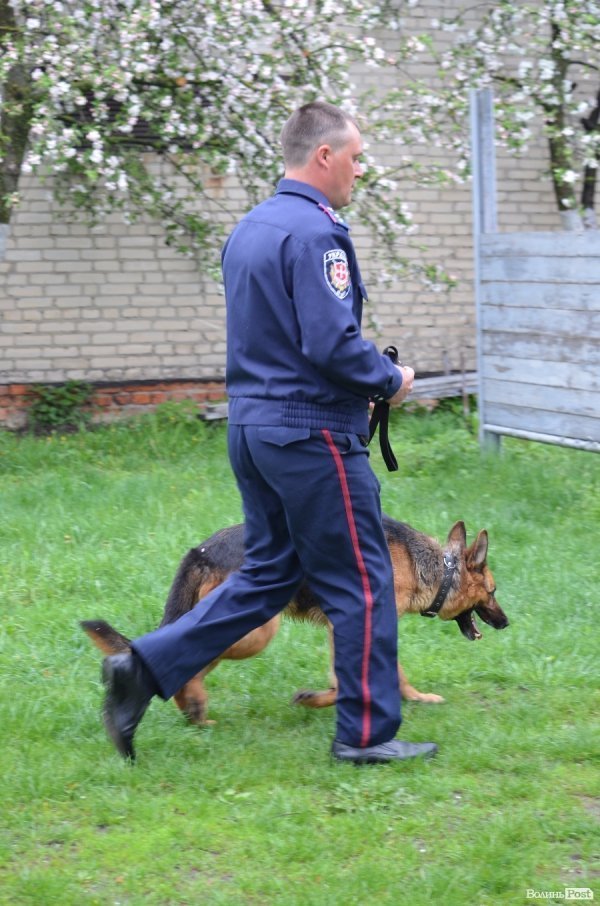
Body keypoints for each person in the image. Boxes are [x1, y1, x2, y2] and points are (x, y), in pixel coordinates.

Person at [101, 101, 438, 765]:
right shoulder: (316, 235)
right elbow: (330, 344)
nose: (360, 170)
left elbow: (277, 339)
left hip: (253, 429)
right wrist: (389, 378)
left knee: (269, 576)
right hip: (311, 437)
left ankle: (140, 670)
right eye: (356, 156)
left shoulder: (250, 228)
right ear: (323, 156)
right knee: (363, 581)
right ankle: (368, 735)